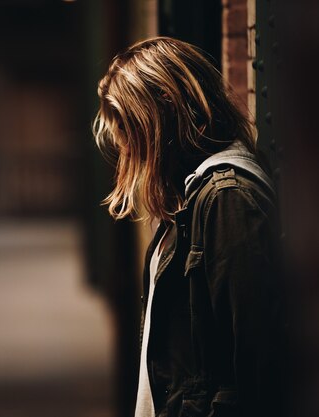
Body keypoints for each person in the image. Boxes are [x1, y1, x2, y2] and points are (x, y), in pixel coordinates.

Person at [93, 37, 286, 417]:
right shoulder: (192, 196)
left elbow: (256, 367)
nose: (129, 150)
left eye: (132, 130)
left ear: (164, 109)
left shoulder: (226, 198)